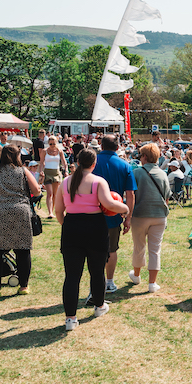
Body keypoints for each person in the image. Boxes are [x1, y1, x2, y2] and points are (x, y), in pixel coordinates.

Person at [54, 148, 129, 332]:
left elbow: (58, 211)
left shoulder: (66, 182)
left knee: (72, 276)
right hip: (95, 227)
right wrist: (125, 208)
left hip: (72, 226)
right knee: (96, 271)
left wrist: (68, 225)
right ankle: (99, 306)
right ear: (94, 164)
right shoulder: (98, 181)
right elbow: (109, 204)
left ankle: (70, 318)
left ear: (77, 162)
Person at [0, 144, 41, 298]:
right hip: (19, 213)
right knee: (22, 250)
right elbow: (36, 190)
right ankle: (24, 286)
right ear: (18, 156)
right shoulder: (22, 171)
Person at [92, 134, 136, 295]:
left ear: (101, 146)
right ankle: (109, 282)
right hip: (114, 214)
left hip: (93, 213)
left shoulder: (92, 162)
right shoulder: (125, 165)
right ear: (118, 147)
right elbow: (130, 195)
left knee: (95, 250)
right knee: (111, 250)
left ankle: (97, 282)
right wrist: (128, 218)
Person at [128, 143, 170, 293]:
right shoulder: (163, 174)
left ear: (144, 157)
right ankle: (152, 283)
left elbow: (132, 195)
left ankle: (137, 275)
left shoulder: (137, 172)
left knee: (139, 246)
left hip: (140, 215)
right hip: (159, 215)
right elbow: (167, 197)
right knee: (155, 249)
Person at [41, 136, 68, 219]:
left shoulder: (59, 151)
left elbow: (64, 162)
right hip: (47, 173)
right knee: (49, 193)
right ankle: (50, 212)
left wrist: (66, 170)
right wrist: (41, 172)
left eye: (54, 143)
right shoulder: (44, 151)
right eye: (50, 143)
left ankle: (53, 211)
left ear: (56, 143)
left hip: (56, 173)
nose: (52, 145)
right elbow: (42, 162)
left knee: (55, 194)